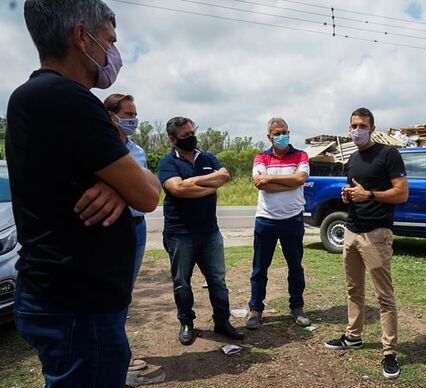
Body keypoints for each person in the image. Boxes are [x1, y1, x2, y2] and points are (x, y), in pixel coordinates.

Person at [6, 1, 161, 388]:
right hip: (77, 302)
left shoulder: (31, 96)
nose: (113, 53)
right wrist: (127, 184)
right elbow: (148, 193)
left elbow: (132, 185)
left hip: (58, 294)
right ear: (80, 36)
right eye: (109, 41)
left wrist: (117, 184)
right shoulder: (68, 100)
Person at [324, 108, 409, 379]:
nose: (357, 130)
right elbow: (354, 191)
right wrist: (348, 196)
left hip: (376, 234)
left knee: (383, 295)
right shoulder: (352, 158)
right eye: (353, 125)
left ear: (372, 128)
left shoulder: (388, 154)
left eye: (362, 125)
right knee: (353, 289)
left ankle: (389, 351)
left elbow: (402, 193)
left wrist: (369, 193)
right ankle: (353, 336)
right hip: (351, 231)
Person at [158, 117, 244, 345]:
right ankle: (186, 322)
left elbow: (225, 176)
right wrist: (209, 185)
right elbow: (176, 189)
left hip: (210, 232)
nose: (191, 137)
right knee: (182, 282)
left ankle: (222, 322)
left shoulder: (206, 157)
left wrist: (192, 183)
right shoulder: (167, 163)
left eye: (192, 132)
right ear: (172, 138)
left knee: (217, 280)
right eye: (185, 135)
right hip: (180, 233)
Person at [245, 117, 311, 330]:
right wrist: (289, 181)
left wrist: (271, 179)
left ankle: (297, 307)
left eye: (284, 132)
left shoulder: (301, 155)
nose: (280, 136)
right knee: (259, 269)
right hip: (266, 220)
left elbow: (300, 179)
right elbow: (261, 185)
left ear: (288, 133)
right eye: (276, 133)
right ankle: (256, 310)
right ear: (269, 136)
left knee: (295, 267)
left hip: (293, 219)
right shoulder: (260, 157)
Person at [104, 93, 148, 372]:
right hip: (108, 229)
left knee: (124, 293)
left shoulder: (137, 151)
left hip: (136, 228)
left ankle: (119, 352)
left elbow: (146, 192)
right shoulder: (96, 146)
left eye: (134, 114)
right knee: (106, 293)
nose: (134, 120)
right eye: (129, 115)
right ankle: (113, 355)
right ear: (112, 116)